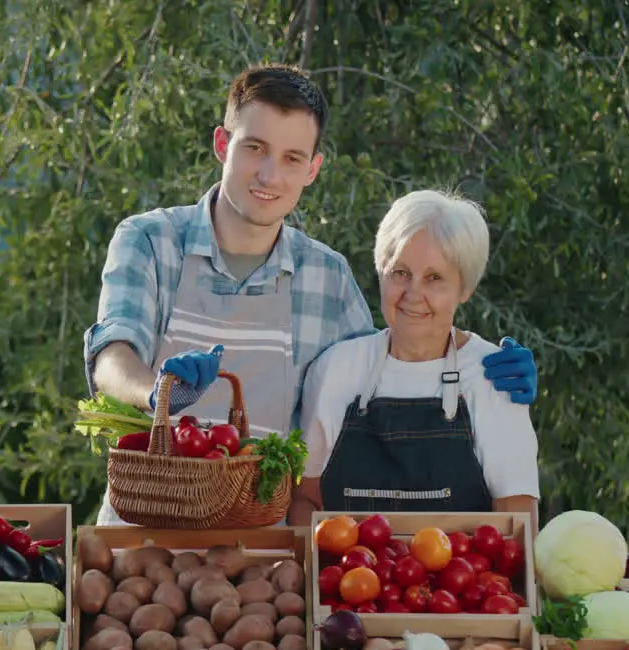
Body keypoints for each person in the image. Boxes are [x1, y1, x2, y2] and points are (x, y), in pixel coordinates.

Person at [83, 63, 539, 526]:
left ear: (313, 169)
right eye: (255, 148)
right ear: (223, 144)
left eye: (292, 158)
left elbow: (388, 366)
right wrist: (157, 389)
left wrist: (480, 364)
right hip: (141, 530)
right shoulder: (150, 241)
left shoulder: (328, 275)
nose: (269, 175)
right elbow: (112, 358)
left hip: (267, 553)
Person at [288, 190, 540, 526]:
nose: (412, 295)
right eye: (400, 273)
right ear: (381, 271)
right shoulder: (336, 369)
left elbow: (517, 523)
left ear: (465, 289)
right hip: (351, 576)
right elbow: (306, 501)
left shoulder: (494, 377)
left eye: (434, 278)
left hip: (464, 578)